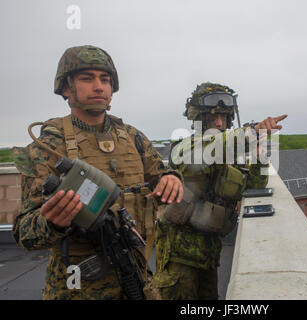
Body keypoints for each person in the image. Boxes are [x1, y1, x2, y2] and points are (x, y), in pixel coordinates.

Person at [12, 45, 183, 300]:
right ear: (67, 88)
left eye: (105, 80)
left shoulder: (133, 137)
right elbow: (24, 233)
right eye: (87, 78)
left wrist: (171, 178)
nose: (99, 86)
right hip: (77, 289)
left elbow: (162, 174)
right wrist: (51, 221)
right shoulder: (49, 146)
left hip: (136, 275)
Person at [152, 82, 287, 299]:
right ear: (199, 120)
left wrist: (259, 151)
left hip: (209, 253)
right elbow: (207, 152)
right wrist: (251, 132)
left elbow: (254, 185)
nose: (219, 122)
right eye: (212, 118)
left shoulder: (230, 152)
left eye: (223, 117)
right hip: (179, 254)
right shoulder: (185, 147)